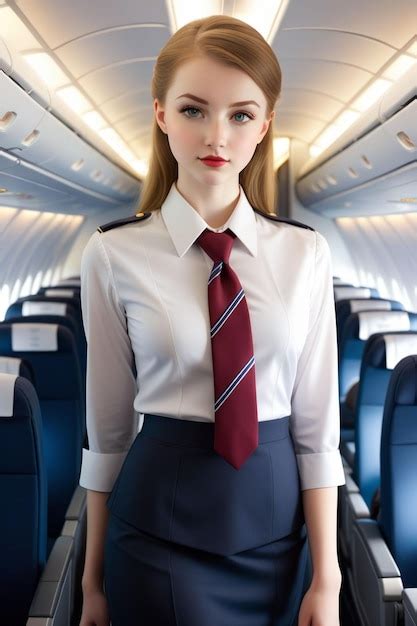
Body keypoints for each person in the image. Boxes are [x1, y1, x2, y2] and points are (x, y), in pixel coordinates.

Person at [79, 14, 346, 626]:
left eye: (241, 114)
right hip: (157, 534)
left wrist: (327, 578)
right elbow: (110, 431)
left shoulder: (305, 254)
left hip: (280, 537)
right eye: (195, 110)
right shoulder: (113, 254)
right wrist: (92, 583)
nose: (217, 137)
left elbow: (317, 431)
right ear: (161, 114)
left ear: (266, 125)